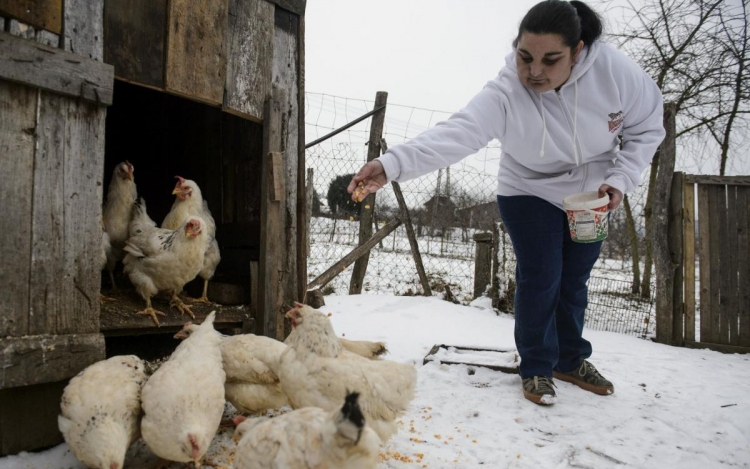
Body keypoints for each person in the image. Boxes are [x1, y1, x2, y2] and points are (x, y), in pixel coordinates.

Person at [347, 0, 665, 405]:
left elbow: (647, 129)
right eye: (525, 57)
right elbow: (457, 133)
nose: (534, 71)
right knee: (542, 274)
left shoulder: (617, 75)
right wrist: (390, 165)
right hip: (527, 188)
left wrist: (620, 179)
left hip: (590, 193)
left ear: (578, 51)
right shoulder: (506, 91)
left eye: (551, 60)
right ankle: (535, 365)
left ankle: (568, 359)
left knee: (574, 280)